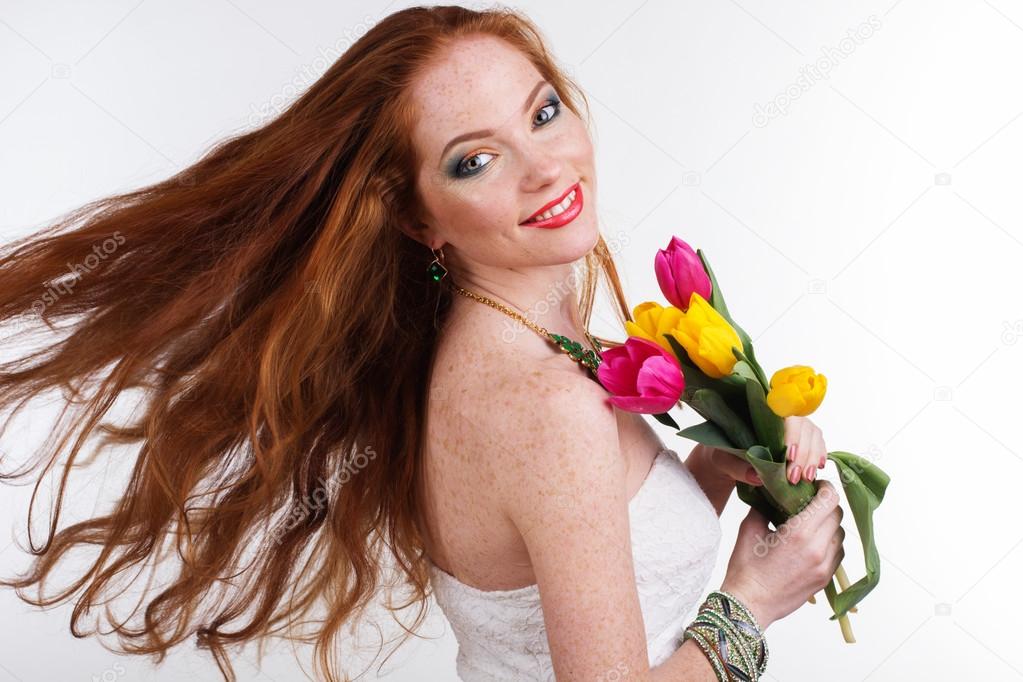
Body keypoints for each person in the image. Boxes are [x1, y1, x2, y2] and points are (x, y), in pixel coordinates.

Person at [0, 5, 844, 681]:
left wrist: (720, 467)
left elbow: (595, 554)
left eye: (542, 113)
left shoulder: (502, 358)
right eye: (473, 162)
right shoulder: (547, 403)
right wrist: (751, 604)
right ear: (416, 218)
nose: (545, 167)